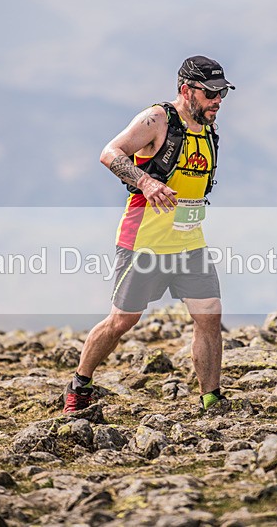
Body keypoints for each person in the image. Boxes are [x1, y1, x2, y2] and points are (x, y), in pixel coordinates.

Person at [62, 55, 235, 414]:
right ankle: (80, 383)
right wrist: (144, 180)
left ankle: (211, 398)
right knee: (122, 321)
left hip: (190, 241)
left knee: (209, 316)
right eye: (210, 93)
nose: (218, 101)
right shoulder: (157, 119)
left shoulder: (206, 128)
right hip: (144, 242)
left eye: (223, 94)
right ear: (187, 90)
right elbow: (109, 153)